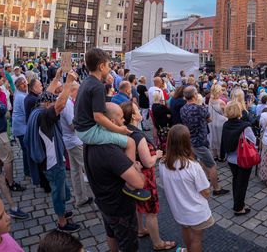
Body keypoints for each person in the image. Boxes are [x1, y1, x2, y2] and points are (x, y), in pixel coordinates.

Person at [72, 48, 145, 201]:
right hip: (89, 131)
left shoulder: (86, 81)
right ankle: (130, 184)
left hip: (82, 129)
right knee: (130, 142)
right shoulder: (98, 85)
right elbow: (98, 116)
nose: (110, 69)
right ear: (101, 66)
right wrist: (119, 129)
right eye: (108, 65)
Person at [84, 102, 147, 252]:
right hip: (120, 207)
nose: (124, 120)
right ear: (111, 122)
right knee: (128, 244)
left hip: (105, 202)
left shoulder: (93, 140)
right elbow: (138, 183)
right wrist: (137, 169)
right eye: (120, 117)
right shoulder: (109, 150)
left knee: (111, 234)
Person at [25, 71, 81, 232]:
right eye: (52, 103)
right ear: (49, 106)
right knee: (59, 192)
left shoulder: (38, 107)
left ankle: (62, 211)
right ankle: (62, 222)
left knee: (63, 188)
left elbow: (47, 95)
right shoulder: (45, 116)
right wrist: (69, 83)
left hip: (52, 160)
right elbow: (60, 105)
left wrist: (57, 78)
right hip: (52, 162)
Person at [120, 102, 175, 251]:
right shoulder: (138, 136)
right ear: (133, 116)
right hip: (145, 177)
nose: (140, 112)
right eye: (137, 110)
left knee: (138, 203)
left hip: (133, 175)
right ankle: (157, 243)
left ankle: (140, 228)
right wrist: (156, 155)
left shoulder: (125, 130)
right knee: (151, 211)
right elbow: (148, 162)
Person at [159, 125, 213, 252]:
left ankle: (188, 249)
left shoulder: (162, 163)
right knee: (196, 239)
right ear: (187, 142)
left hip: (178, 209)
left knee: (186, 229)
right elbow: (205, 191)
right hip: (195, 211)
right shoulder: (192, 166)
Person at [180, 86, 228, 195]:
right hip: (200, 141)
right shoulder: (200, 108)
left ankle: (204, 180)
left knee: (200, 162)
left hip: (189, 140)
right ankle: (216, 188)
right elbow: (209, 119)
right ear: (194, 95)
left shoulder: (182, 109)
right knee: (212, 165)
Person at [59, 81, 92, 208]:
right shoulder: (67, 103)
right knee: (88, 168)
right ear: (74, 90)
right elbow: (73, 125)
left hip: (70, 140)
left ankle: (80, 198)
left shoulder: (66, 100)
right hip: (74, 140)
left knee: (76, 171)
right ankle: (99, 197)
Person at [220, 101, 255, 215]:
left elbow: (223, 141)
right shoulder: (245, 126)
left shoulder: (226, 125)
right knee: (242, 184)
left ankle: (238, 203)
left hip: (231, 158)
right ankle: (239, 207)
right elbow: (253, 141)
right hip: (243, 158)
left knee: (236, 180)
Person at [11, 77, 30, 180]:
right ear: (18, 87)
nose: (25, 85)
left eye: (25, 83)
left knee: (25, 149)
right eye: (22, 84)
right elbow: (26, 112)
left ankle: (28, 170)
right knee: (26, 149)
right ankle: (27, 171)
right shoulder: (21, 97)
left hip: (21, 126)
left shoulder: (21, 94)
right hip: (21, 127)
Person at [207, 84, 227, 161]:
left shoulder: (210, 100)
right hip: (220, 122)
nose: (222, 91)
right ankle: (220, 156)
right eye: (221, 90)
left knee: (213, 138)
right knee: (220, 139)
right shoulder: (221, 102)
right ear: (218, 92)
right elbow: (225, 113)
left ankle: (214, 155)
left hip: (212, 122)